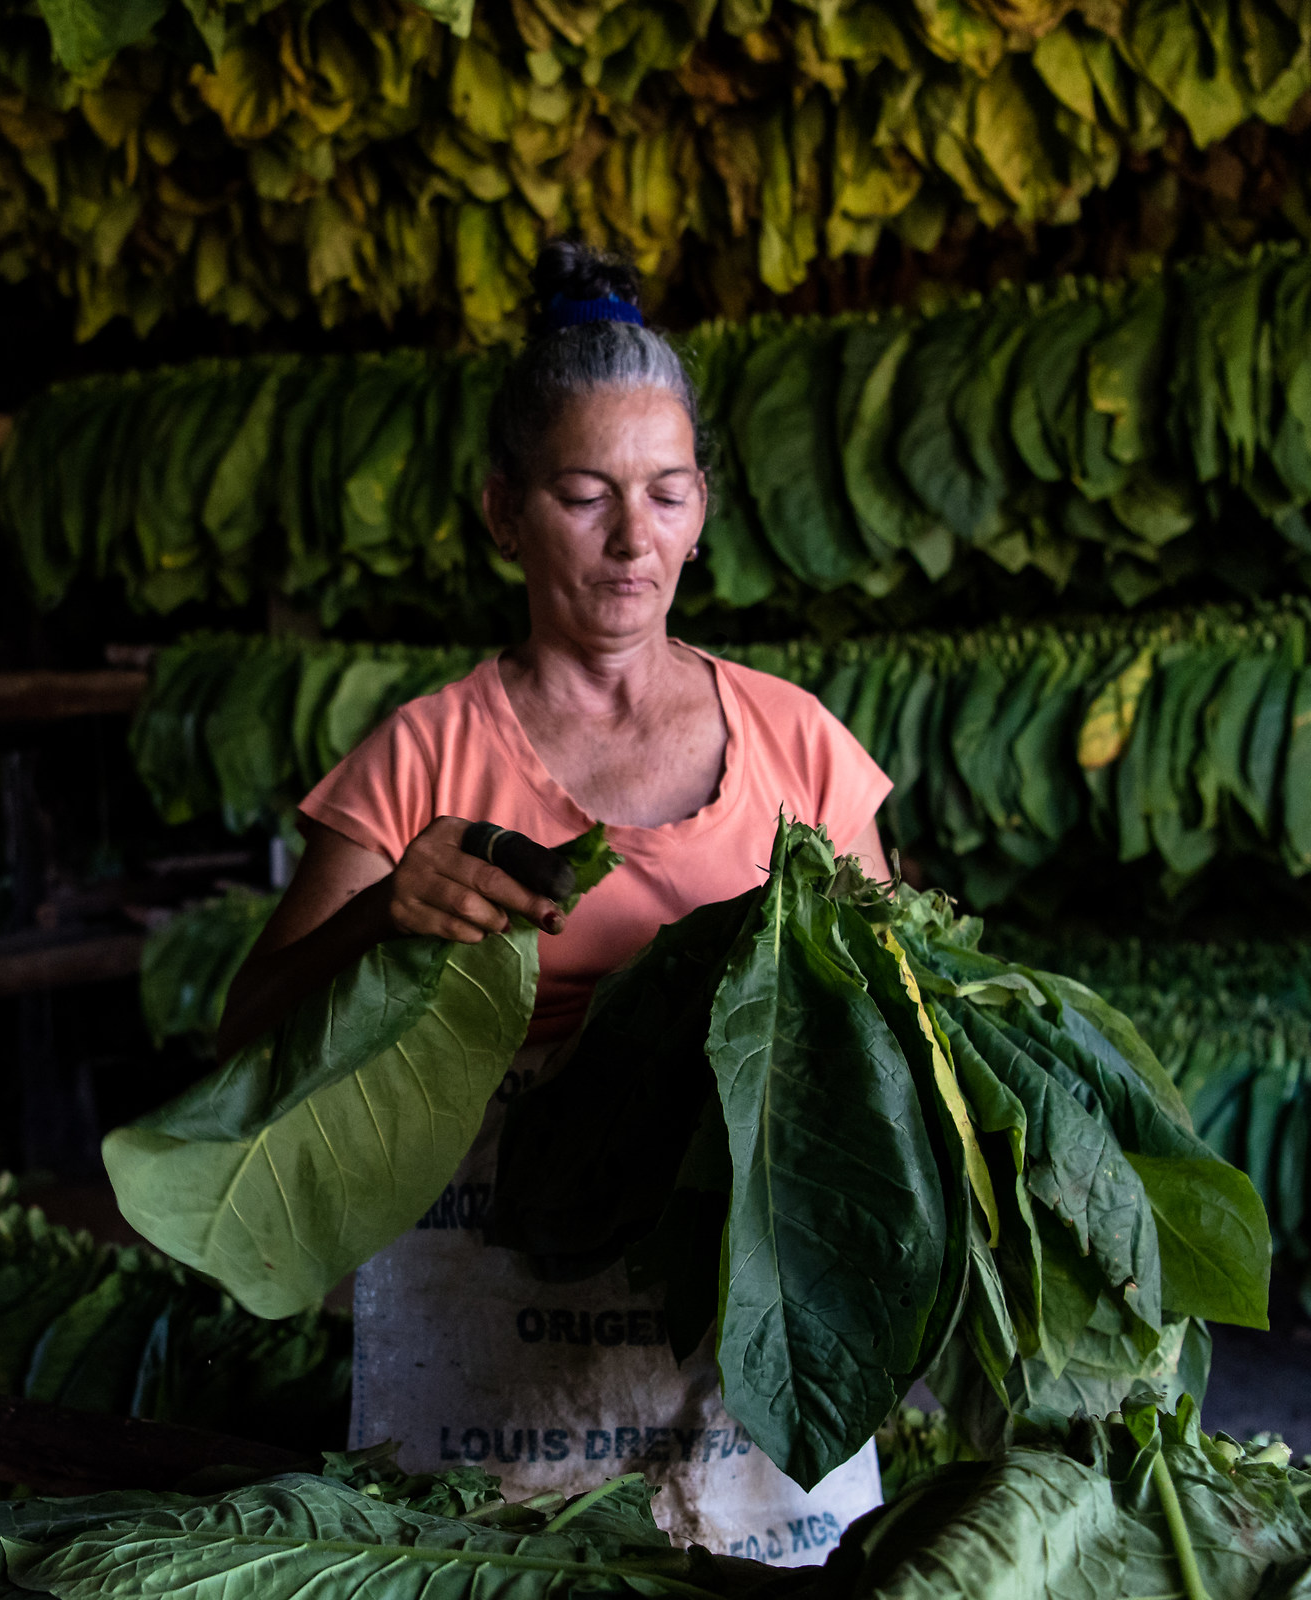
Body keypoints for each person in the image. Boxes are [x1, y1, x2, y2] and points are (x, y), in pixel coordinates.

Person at [214, 239, 894, 1563]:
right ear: (503, 512)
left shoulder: (800, 743)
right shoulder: (421, 756)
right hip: (484, 1323)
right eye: (585, 495)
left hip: (740, 1317)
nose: (633, 540)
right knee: (484, 1573)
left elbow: (899, 1041)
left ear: (702, 507)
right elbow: (244, 1036)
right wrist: (379, 918)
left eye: (667, 491)